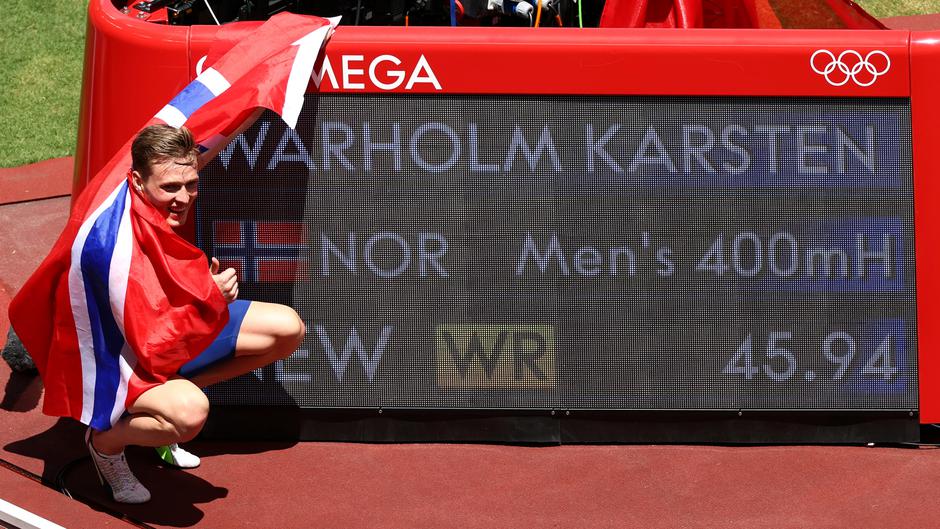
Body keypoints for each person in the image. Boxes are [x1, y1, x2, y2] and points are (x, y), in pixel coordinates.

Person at [85, 124, 305, 503]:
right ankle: (106, 442)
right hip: (126, 358)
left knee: (289, 328)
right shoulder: (116, 247)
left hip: (176, 328)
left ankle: (170, 401)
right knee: (188, 417)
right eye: (170, 187)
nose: (183, 198)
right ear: (137, 181)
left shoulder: (154, 202)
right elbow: (150, 344)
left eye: (191, 184)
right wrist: (209, 297)